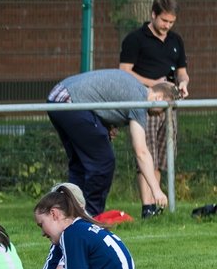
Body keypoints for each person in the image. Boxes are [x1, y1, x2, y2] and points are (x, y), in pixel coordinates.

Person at [45, 69, 176, 218]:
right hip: (69, 101)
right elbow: (141, 152)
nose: (161, 114)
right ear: (158, 98)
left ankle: (71, 213)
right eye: (164, 109)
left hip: (57, 97)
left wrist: (106, 126)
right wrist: (156, 190)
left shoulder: (134, 86)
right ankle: (90, 217)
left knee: (80, 164)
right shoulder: (139, 100)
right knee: (103, 162)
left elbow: (100, 96)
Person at [119, 0, 190, 219]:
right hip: (145, 104)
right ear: (153, 14)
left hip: (168, 107)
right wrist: (156, 85)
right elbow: (124, 72)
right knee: (145, 155)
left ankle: (156, 207)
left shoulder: (176, 40)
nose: (167, 26)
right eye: (163, 21)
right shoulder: (135, 39)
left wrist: (184, 84)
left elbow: (182, 72)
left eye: (171, 22)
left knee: (160, 158)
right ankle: (146, 205)